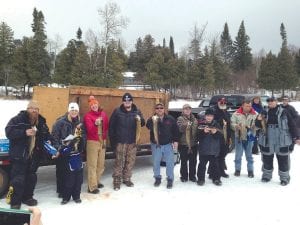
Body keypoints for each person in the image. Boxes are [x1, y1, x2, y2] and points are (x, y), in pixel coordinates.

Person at [5, 100, 52, 209]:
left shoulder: (41, 122)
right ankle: (15, 201)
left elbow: (46, 134)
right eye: (32, 108)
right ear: (28, 109)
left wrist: (48, 140)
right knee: (18, 179)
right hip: (19, 155)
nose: (34, 111)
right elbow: (8, 132)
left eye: (36, 109)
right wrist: (24, 132)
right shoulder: (17, 120)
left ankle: (28, 197)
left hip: (34, 156)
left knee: (31, 178)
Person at [256, 97, 300, 186]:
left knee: (283, 159)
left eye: (272, 101)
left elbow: (292, 125)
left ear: (276, 102)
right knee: (267, 158)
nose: (270, 103)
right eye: (269, 101)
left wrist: (297, 137)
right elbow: (257, 126)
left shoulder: (284, 111)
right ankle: (266, 176)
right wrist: (258, 120)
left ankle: (284, 178)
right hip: (267, 139)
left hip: (282, 139)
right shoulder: (263, 112)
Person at [109, 93, 145, 191]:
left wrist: (139, 119)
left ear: (132, 101)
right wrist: (113, 142)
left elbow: (143, 123)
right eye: (125, 100)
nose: (127, 102)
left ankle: (127, 178)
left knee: (130, 161)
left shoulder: (137, 111)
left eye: (129, 100)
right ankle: (117, 180)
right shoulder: (117, 111)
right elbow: (111, 127)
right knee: (119, 162)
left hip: (132, 142)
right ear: (123, 102)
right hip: (120, 141)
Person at [52, 102, 85, 204]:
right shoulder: (60, 122)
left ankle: (75, 195)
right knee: (62, 172)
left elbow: (84, 136)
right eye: (72, 110)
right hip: (64, 151)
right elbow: (54, 137)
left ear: (78, 112)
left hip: (75, 153)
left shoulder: (80, 123)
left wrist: (81, 141)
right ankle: (63, 193)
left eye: (75, 110)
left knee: (75, 175)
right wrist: (59, 148)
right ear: (68, 111)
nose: (74, 112)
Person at [146, 103, 180, 189]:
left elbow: (175, 130)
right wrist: (152, 120)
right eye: (157, 108)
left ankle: (170, 179)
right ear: (155, 110)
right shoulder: (152, 119)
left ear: (164, 109)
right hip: (156, 144)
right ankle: (157, 177)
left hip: (168, 144)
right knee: (156, 162)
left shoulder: (170, 119)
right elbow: (148, 126)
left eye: (161, 108)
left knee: (170, 163)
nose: (159, 109)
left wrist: (176, 141)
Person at [84, 96, 109, 194]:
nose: (94, 106)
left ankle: (97, 181)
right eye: (92, 105)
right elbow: (89, 129)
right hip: (92, 142)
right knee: (92, 165)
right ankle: (92, 187)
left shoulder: (103, 114)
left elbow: (106, 127)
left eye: (95, 104)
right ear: (90, 106)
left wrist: (104, 138)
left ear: (98, 104)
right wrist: (95, 124)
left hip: (102, 141)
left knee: (101, 164)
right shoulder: (88, 116)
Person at [231, 99, 257, 178]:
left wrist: (254, 127)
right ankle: (237, 170)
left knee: (249, 155)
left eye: (250, 106)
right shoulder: (236, 114)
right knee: (238, 155)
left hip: (250, 137)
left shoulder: (255, 114)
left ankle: (250, 171)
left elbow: (259, 125)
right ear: (242, 105)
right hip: (239, 137)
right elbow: (232, 123)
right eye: (246, 106)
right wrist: (236, 126)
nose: (248, 107)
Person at [196, 108, 223, 186]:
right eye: (207, 115)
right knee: (202, 165)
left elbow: (220, 136)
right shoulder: (201, 125)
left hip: (214, 150)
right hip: (203, 150)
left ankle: (216, 179)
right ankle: (201, 179)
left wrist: (215, 133)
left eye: (210, 116)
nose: (209, 117)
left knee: (215, 166)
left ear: (213, 117)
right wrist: (203, 132)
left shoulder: (217, 125)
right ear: (205, 116)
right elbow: (197, 137)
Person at [209, 97, 232, 178]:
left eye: (224, 102)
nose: (223, 104)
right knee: (215, 155)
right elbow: (211, 121)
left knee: (223, 154)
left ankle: (221, 170)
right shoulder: (214, 111)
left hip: (225, 136)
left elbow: (229, 125)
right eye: (221, 102)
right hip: (216, 136)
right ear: (218, 102)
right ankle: (212, 172)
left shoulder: (227, 112)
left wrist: (229, 137)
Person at [176, 104, 198, 182]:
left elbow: (197, 131)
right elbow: (179, 129)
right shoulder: (180, 119)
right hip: (184, 144)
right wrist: (185, 125)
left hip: (194, 144)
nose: (187, 110)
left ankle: (192, 176)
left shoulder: (195, 119)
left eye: (189, 109)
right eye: (185, 109)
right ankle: (184, 176)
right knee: (184, 162)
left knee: (193, 162)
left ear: (191, 110)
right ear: (183, 110)